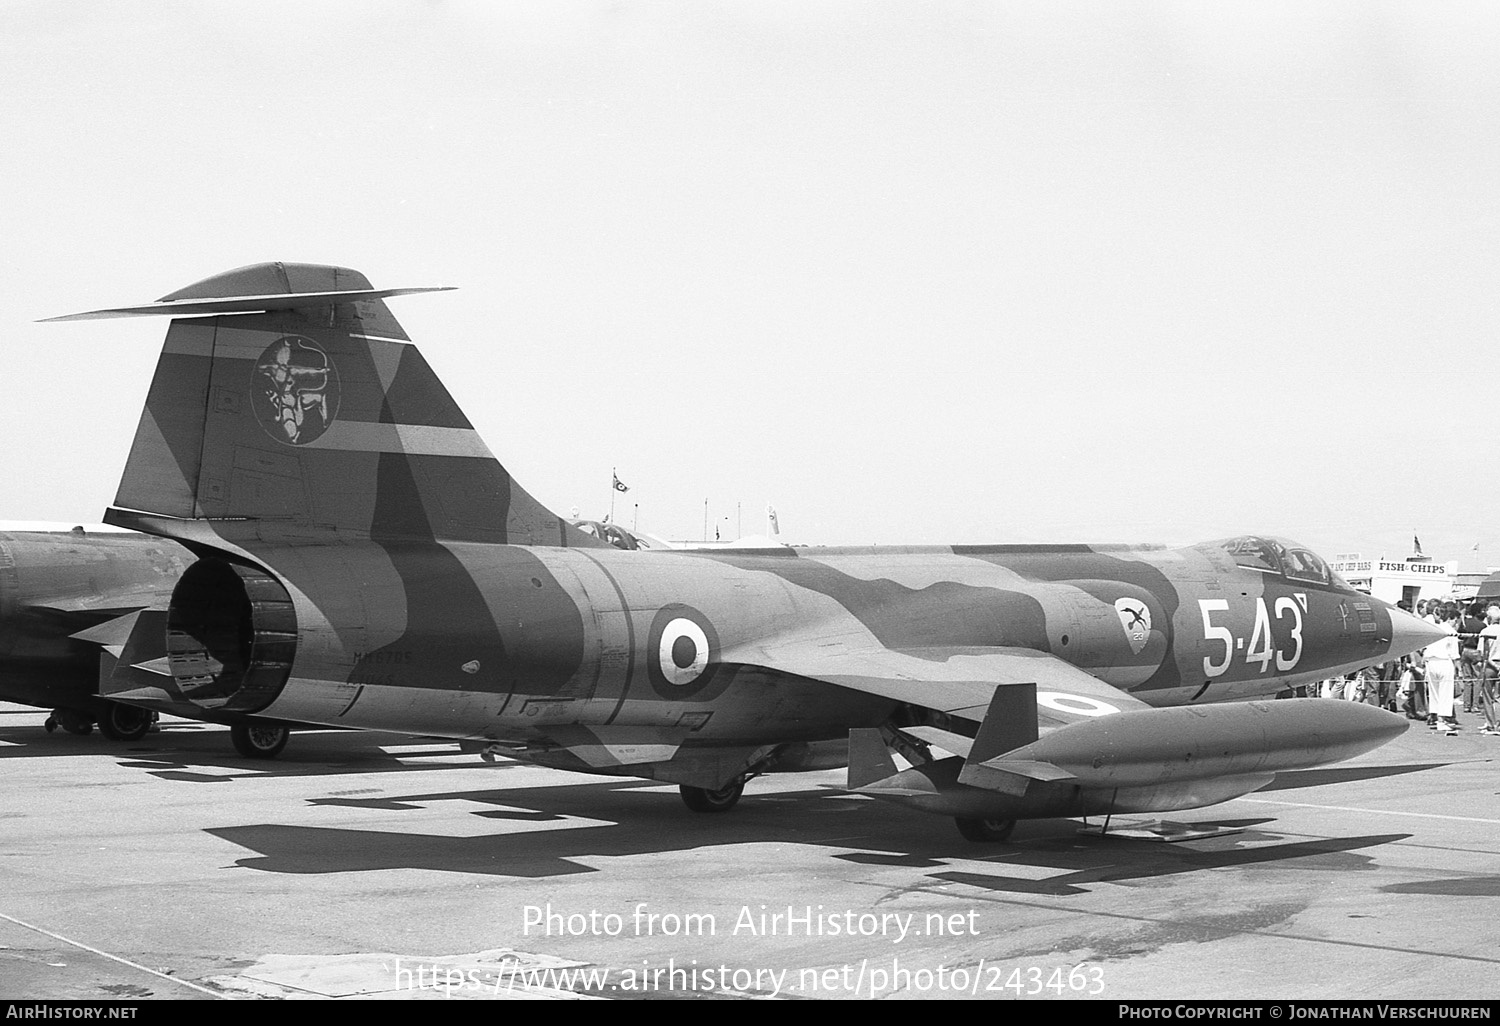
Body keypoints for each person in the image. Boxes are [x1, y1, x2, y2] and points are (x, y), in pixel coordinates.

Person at [1420, 609, 1462, 735]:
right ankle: (1441, 720)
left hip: (1431, 661)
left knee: (1434, 691)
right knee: (1445, 691)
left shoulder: (1433, 629)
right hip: (1444, 661)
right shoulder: (1451, 632)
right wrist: (1458, 670)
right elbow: (1454, 654)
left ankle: (1435, 716)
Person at [1477, 605, 1500, 737]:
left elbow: (1483, 653)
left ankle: (1491, 724)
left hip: (1490, 665)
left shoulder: (1486, 631)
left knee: (1487, 696)